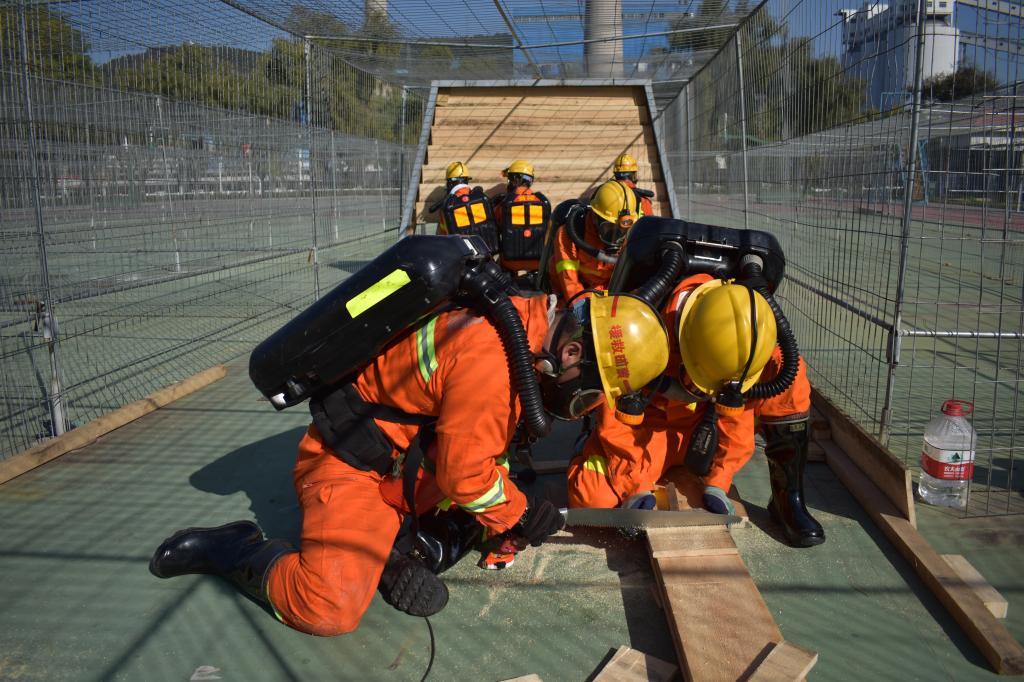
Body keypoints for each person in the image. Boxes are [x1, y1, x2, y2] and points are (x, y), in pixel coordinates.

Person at [149, 250, 670, 635]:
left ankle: (392, 548)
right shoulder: (493, 363)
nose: (581, 405)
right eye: (588, 394)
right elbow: (466, 476)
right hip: (354, 469)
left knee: (481, 515)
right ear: (573, 352)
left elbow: (471, 448)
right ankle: (234, 548)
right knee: (327, 607)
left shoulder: (522, 322)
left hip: (409, 462)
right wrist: (520, 513)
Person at [566, 274, 825, 548]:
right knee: (592, 500)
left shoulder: (748, 339)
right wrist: (634, 485)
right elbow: (616, 415)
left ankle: (788, 500)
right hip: (643, 430)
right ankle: (588, 445)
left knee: (788, 371)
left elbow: (738, 412)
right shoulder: (636, 323)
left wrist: (719, 481)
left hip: (705, 430)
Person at [548, 180, 638, 302]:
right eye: (609, 228)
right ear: (595, 217)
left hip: (608, 294)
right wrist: (582, 306)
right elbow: (569, 281)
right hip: (570, 295)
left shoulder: (631, 236)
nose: (616, 236)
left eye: (621, 230)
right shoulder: (572, 233)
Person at [491, 160, 551, 276]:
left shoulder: (504, 204)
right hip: (538, 262)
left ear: (515, 179)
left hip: (510, 263)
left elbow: (495, 225)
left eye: (509, 179)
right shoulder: (543, 203)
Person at [435, 161, 499, 253]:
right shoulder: (482, 197)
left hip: (462, 257)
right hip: (488, 253)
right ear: (467, 180)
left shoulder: (446, 207)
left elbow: (442, 236)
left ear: (449, 183)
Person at [610, 153, 654, 218]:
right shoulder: (643, 200)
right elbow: (650, 222)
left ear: (615, 174)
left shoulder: (605, 192)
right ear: (633, 175)